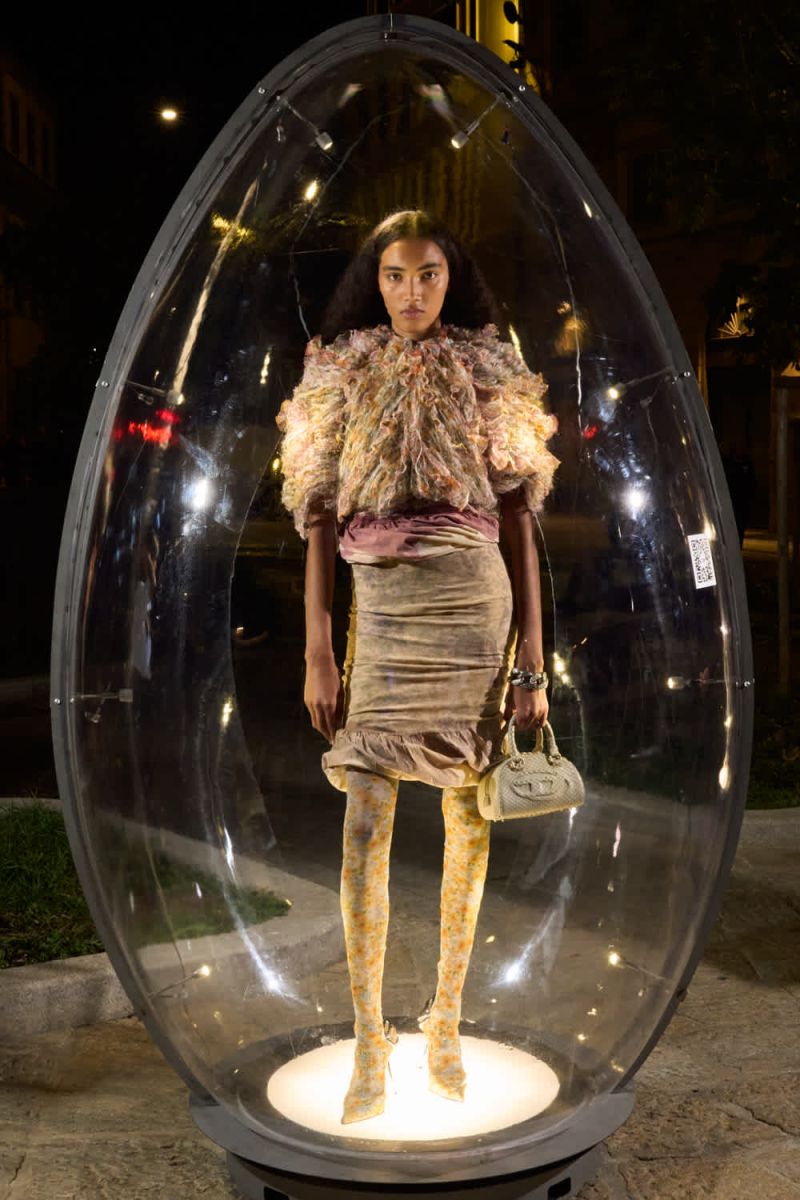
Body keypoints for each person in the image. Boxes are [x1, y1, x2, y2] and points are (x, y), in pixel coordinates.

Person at [275, 209, 559, 1125]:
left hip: (475, 609)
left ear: (451, 276)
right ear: (375, 278)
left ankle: (444, 1023)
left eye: (428, 274)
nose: (411, 292)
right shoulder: (340, 367)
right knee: (365, 818)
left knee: (468, 820)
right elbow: (318, 518)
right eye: (395, 275)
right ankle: (368, 1038)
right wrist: (320, 649)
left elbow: (520, 517)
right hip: (386, 616)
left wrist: (533, 661)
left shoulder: (488, 365)